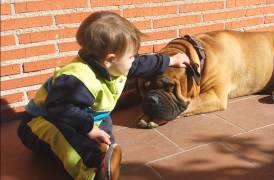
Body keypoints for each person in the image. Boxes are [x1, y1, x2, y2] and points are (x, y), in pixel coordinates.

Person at [17, 11, 189, 180]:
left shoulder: (116, 66)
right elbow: (60, 109)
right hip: (41, 123)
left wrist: (170, 60)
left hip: (83, 116)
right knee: (67, 139)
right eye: (131, 56)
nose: (134, 60)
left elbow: (142, 64)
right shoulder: (77, 80)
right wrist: (89, 128)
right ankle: (92, 171)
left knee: (104, 137)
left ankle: (104, 156)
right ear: (110, 59)